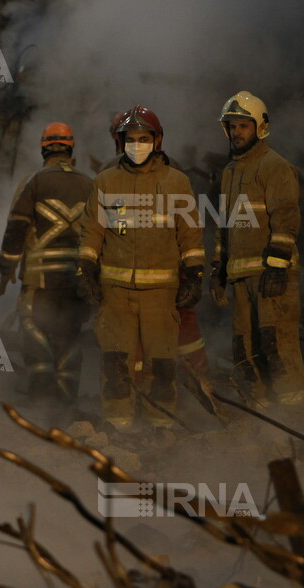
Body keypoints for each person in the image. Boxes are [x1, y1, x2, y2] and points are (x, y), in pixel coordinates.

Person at [77, 106, 206, 430]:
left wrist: (194, 273)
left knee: (161, 364)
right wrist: (86, 268)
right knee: (116, 361)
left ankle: (161, 426)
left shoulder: (177, 182)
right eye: (131, 139)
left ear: (157, 140)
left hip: (162, 293)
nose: (137, 145)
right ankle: (119, 427)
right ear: (121, 142)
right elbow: (93, 230)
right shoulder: (106, 181)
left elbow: (190, 234)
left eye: (144, 139)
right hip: (116, 291)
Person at [209, 91, 304, 407]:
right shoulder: (229, 173)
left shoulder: (275, 166)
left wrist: (278, 266)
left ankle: (294, 417)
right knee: (245, 350)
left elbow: (286, 217)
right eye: (231, 126)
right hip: (241, 279)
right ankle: (262, 420)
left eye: (243, 126)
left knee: (277, 345)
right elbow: (225, 226)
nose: (236, 133)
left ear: (260, 127)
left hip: (271, 276)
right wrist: (218, 271)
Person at [0, 122, 94, 405]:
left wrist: (6, 270)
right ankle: (66, 406)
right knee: (70, 337)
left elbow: (16, 228)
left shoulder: (34, 181)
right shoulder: (90, 184)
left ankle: (41, 404)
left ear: (43, 149)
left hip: (40, 280)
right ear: (71, 149)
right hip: (77, 281)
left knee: (35, 331)